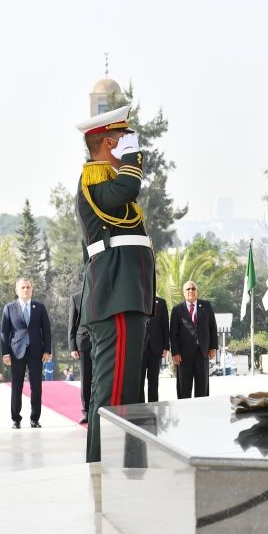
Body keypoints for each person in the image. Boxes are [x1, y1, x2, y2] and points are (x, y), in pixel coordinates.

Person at [75, 104, 156, 462]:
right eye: (123, 138)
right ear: (110, 143)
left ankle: (125, 467)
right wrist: (134, 157)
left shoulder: (105, 181)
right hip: (116, 295)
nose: (129, 143)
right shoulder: (94, 179)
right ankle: (104, 469)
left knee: (125, 390)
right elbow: (126, 189)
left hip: (125, 293)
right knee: (113, 392)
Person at [0, 278, 52, 428]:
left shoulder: (39, 307)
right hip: (16, 353)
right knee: (17, 387)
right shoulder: (9, 308)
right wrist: (5, 353)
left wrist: (47, 350)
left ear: (32, 289)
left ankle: (35, 418)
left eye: (28, 287)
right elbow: (4, 332)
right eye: (22, 287)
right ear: (17, 290)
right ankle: (16, 419)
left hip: (36, 352)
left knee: (36, 387)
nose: (26, 290)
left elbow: (46, 330)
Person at [169, 281, 217, 398]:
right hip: (183, 356)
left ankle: (201, 411)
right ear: (183, 292)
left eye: (193, 288)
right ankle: (184, 412)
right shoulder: (177, 310)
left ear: (197, 291)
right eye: (188, 289)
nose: (191, 291)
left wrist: (213, 347)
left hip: (202, 353)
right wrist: (175, 352)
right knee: (184, 387)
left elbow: (213, 327)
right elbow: (173, 333)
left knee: (202, 386)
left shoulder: (206, 306)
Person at [67, 291, 92, 424]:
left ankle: (101, 409)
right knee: (86, 379)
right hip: (83, 343)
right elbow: (72, 324)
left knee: (102, 378)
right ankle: (87, 411)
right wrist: (72, 347)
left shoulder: (103, 292)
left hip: (102, 341)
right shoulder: (75, 297)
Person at [140, 295, 169, 402]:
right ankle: (140, 407)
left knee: (154, 381)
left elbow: (165, 325)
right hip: (140, 348)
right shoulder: (137, 299)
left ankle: (153, 406)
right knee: (139, 381)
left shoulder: (161, 303)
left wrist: (166, 347)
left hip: (156, 348)